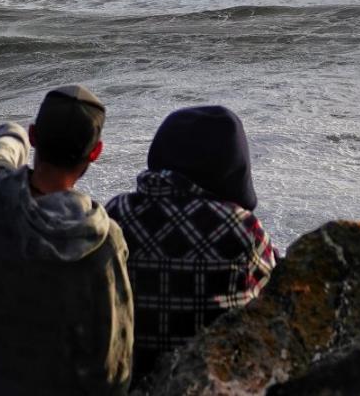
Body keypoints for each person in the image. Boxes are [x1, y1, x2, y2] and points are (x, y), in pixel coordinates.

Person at [0, 85, 133, 395]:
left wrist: (14, 133)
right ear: (96, 152)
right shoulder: (103, 240)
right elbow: (113, 364)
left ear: (35, 135)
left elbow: (2, 147)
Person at [107, 105, 277, 385]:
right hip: (207, 383)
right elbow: (278, 291)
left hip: (128, 382)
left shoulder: (117, 213)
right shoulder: (240, 229)